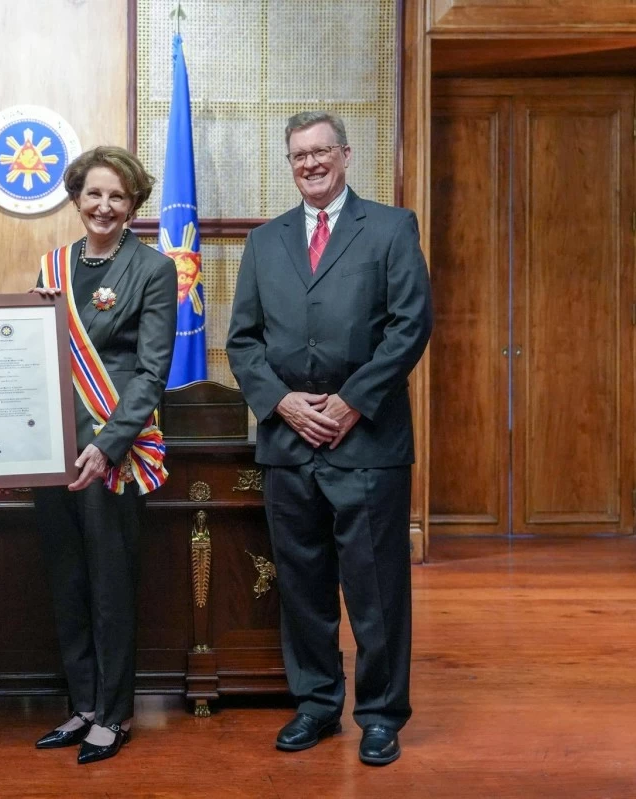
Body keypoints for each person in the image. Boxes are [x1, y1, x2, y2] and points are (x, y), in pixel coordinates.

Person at [226, 111, 433, 766]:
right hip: (289, 445)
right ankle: (316, 701)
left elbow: (411, 325)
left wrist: (351, 402)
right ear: (290, 164)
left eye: (321, 152)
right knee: (302, 584)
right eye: (298, 155)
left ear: (345, 155)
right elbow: (243, 341)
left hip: (367, 442)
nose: (310, 163)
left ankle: (379, 713)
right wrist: (282, 402)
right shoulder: (266, 242)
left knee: (376, 590)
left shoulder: (393, 228)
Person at [30, 146, 177, 765]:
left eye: (118, 196)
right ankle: (84, 703)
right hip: (53, 448)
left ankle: (114, 714)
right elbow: (33, 355)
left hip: (111, 451)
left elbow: (151, 371)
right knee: (67, 581)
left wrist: (106, 443)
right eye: (94, 194)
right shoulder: (52, 264)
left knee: (110, 583)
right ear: (76, 198)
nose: (104, 206)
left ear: (134, 203)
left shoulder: (152, 268)